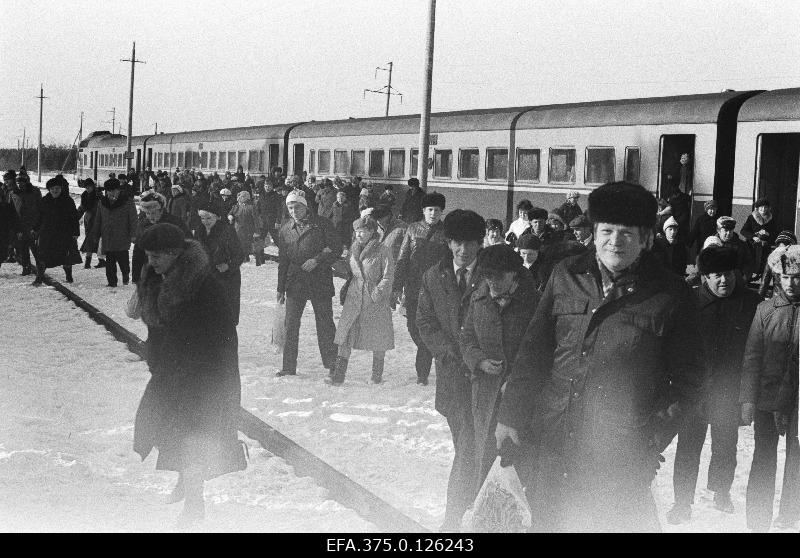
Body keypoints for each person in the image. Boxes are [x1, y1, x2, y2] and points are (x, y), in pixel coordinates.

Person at [496, 181, 705, 533]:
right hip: (553, 441)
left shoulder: (671, 295)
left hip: (618, 456)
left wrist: (651, 438)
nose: (615, 241)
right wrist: (510, 414)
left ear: (646, 239)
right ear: (594, 232)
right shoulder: (565, 276)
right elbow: (534, 350)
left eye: (627, 234)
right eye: (607, 231)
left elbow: (690, 384)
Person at [131, 223, 246, 528]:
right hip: (170, 370)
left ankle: (195, 505)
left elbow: (223, 334)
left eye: (156, 256)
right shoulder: (158, 278)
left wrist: (210, 376)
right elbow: (156, 326)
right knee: (165, 428)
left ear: (174, 253)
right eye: (149, 256)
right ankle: (185, 479)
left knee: (194, 439)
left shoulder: (203, 285)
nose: (150, 262)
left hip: (203, 375)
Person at [666, 246, 761, 525]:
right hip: (694, 390)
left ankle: (721, 491)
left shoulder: (750, 303)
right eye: (717, 275)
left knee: (725, 445)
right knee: (688, 447)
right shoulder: (689, 303)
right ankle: (682, 502)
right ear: (705, 277)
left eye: (729, 274)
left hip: (729, 391)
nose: (724, 281)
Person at [416, 209, 485, 531]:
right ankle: (468, 513)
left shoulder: (493, 272)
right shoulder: (434, 276)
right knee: (467, 448)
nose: (463, 250)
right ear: (448, 242)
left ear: (479, 243)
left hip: (486, 380)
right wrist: (447, 353)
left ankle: (455, 520)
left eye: (470, 243)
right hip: (453, 379)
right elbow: (425, 322)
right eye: (457, 242)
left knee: (471, 449)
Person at [459, 244, 540, 497]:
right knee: (484, 455)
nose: (491, 282)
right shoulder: (479, 298)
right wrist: (479, 360)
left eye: (498, 276)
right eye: (487, 276)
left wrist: (516, 380)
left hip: (521, 398)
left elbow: (540, 349)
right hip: (484, 394)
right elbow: (467, 337)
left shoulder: (535, 303)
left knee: (516, 461)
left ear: (514, 274)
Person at [740, 244, 800, 532]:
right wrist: (747, 399)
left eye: (797, 276)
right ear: (777, 278)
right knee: (763, 457)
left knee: (796, 459)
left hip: (799, 402)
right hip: (766, 397)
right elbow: (752, 357)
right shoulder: (764, 310)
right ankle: (757, 519)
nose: (791, 283)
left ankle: (790, 516)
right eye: (785, 277)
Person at [276, 190, 342, 377]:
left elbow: (336, 248)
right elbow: (283, 261)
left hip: (319, 281)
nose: (294, 211)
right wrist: (280, 288)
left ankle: (332, 365)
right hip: (295, 283)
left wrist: (318, 260)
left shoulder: (321, 224)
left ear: (306, 207)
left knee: (325, 324)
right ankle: (289, 367)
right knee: (291, 325)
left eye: (297, 207)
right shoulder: (285, 229)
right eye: (290, 207)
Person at [392, 192, 449, 385]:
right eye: (430, 210)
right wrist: (397, 286)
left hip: (437, 288)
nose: (433, 213)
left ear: (442, 212)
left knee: (428, 325)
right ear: (424, 211)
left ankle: (422, 373)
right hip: (413, 285)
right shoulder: (413, 229)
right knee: (413, 327)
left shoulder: (447, 232)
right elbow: (402, 258)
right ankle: (429, 351)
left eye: (437, 210)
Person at [331, 216, 395, 385]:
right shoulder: (353, 249)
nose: (358, 235)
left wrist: (377, 294)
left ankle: (376, 375)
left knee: (378, 337)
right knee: (345, 334)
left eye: (362, 231)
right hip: (354, 297)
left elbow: (388, 276)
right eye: (356, 231)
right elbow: (350, 271)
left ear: (372, 232)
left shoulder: (383, 249)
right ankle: (338, 376)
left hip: (374, 300)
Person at [194, 204, 244, 325]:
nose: (205, 221)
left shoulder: (227, 230)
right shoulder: (199, 230)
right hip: (206, 277)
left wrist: (228, 265)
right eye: (202, 218)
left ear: (217, 217)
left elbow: (239, 255)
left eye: (208, 218)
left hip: (227, 279)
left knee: (225, 317)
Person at [131, 190, 190, 284]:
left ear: (161, 210)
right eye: (147, 213)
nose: (150, 217)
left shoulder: (175, 223)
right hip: (150, 270)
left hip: (172, 270)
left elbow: (187, 244)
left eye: (153, 213)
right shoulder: (143, 225)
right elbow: (138, 251)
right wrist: (136, 275)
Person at [31, 177, 80, 285]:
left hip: (64, 233)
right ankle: (39, 278)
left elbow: (74, 218)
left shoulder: (68, 201)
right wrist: (35, 228)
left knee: (66, 257)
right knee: (43, 256)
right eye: (52, 188)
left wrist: (76, 232)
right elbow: (39, 217)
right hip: (47, 233)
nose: (55, 190)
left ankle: (69, 276)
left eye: (57, 188)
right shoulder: (44, 201)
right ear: (49, 189)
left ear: (61, 189)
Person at [9, 169, 42, 276]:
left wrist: (38, 226)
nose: (20, 184)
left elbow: (41, 209)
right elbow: (12, 211)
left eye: (22, 182)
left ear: (26, 182)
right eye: (18, 182)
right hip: (21, 226)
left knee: (36, 249)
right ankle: (26, 268)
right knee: (23, 249)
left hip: (33, 225)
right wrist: (16, 227)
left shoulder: (34, 192)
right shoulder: (13, 193)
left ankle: (40, 268)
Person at [740, 198, 778, 280]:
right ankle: (748, 279)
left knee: (764, 265)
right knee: (751, 264)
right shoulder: (751, 217)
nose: (763, 209)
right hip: (752, 246)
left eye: (765, 207)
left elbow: (776, 233)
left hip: (765, 246)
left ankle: (762, 280)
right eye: (761, 207)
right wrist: (753, 237)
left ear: (768, 208)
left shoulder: (771, 219)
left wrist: (768, 234)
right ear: (757, 208)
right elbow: (743, 231)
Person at [228, 190, 263, 265]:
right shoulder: (236, 206)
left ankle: (246, 257)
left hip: (248, 229)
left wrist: (257, 231)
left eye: (243, 196)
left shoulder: (251, 207)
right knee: (239, 243)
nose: (241, 197)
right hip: (238, 228)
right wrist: (230, 216)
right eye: (240, 196)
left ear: (247, 198)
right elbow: (230, 213)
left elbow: (255, 219)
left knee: (246, 243)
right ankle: (242, 257)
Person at [759, 231, 797, 299]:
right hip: (779, 298)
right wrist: (757, 302)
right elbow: (764, 283)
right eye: (779, 247)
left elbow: (764, 284)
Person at [77, 178, 103, 269]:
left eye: (89, 187)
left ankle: (87, 263)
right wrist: (76, 216)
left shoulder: (98, 195)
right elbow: (82, 207)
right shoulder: (84, 195)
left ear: (92, 186)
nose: (87, 189)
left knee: (91, 240)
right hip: (88, 219)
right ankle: (101, 261)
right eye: (86, 187)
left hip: (96, 219)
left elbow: (102, 208)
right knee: (92, 240)